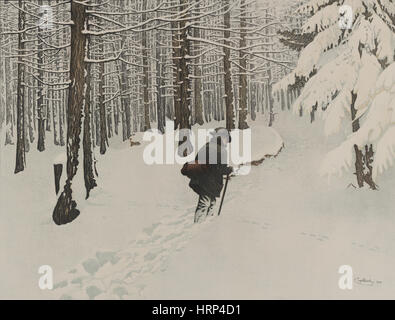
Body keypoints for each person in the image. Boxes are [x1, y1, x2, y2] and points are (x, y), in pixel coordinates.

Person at [186, 128, 233, 223]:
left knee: (211, 203)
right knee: (205, 203)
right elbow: (217, 168)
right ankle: (199, 227)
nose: (227, 142)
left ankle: (207, 225)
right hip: (207, 182)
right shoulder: (219, 150)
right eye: (226, 139)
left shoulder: (208, 146)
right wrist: (228, 170)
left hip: (205, 181)